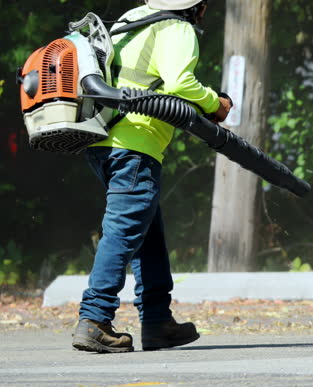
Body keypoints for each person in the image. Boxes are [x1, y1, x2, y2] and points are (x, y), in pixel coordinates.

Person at [72, 0, 231, 353]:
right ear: (199, 8)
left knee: (148, 234)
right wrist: (214, 103)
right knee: (124, 232)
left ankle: (158, 322)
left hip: (102, 142)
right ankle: (94, 319)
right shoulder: (177, 27)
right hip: (135, 145)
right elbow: (180, 83)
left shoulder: (130, 20)